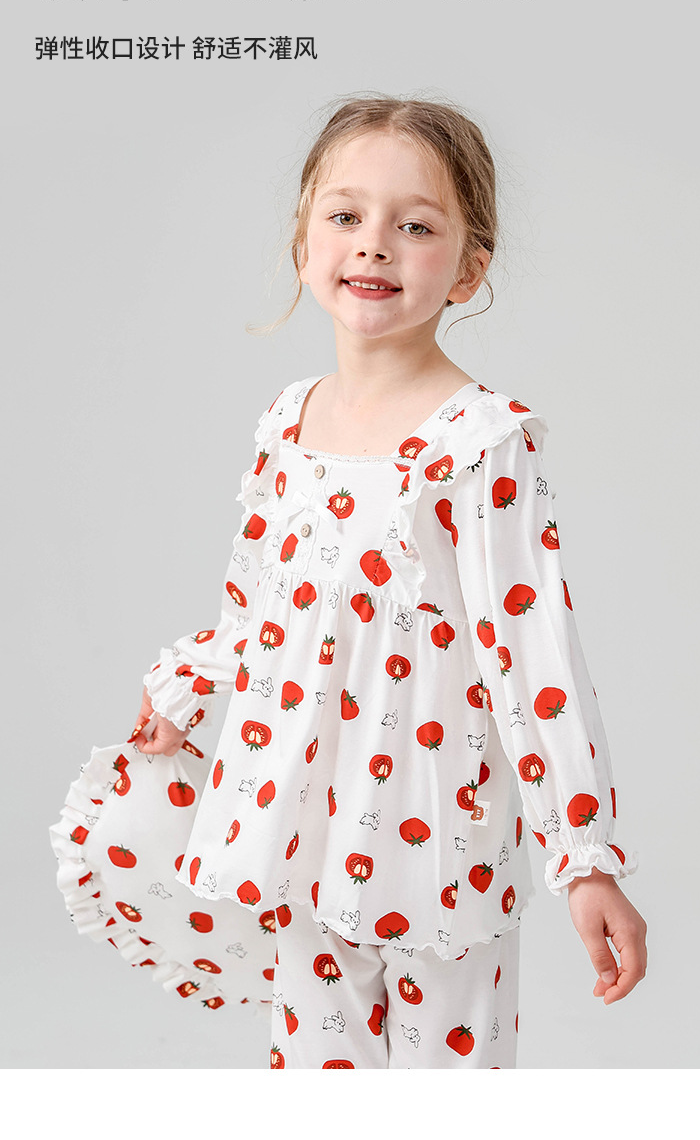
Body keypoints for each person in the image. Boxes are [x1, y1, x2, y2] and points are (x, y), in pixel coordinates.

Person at [132, 95, 648, 1069]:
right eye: (346, 215)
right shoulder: (287, 421)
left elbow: (533, 658)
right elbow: (261, 599)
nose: (374, 244)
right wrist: (190, 685)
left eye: (415, 226)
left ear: (469, 267)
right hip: (298, 822)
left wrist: (583, 857)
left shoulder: (480, 442)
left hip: (438, 839)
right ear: (304, 243)